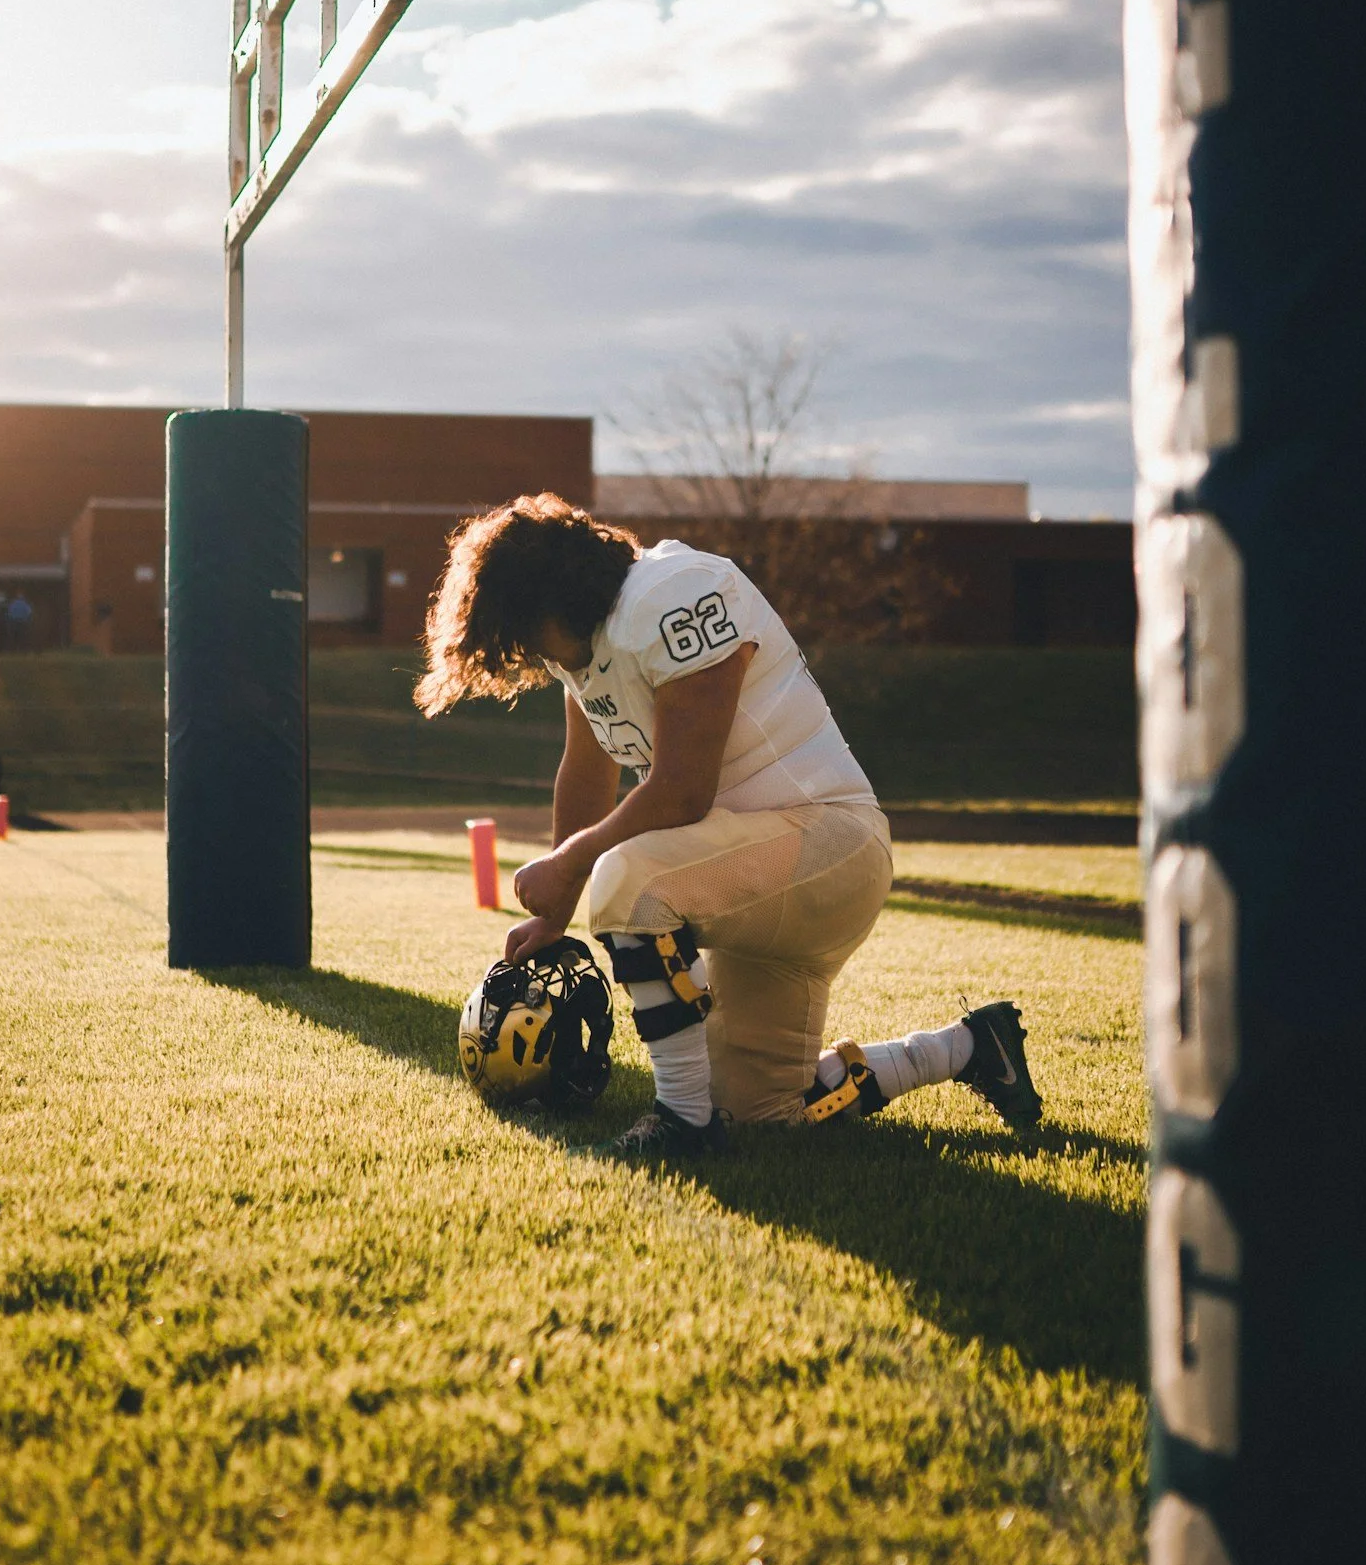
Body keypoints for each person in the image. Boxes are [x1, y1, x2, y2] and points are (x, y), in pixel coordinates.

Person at [418, 495, 1041, 1156]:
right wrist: (556, 912)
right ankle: (969, 1047)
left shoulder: (674, 593)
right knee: (762, 1109)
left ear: (553, 594)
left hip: (828, 845)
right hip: (751, 873)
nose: (526, 657)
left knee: (629, 877)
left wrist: (574, 865)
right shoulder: (589, 643)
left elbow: (683, 791)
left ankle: (683, 1124)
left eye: (522, 630)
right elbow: (586, 769)